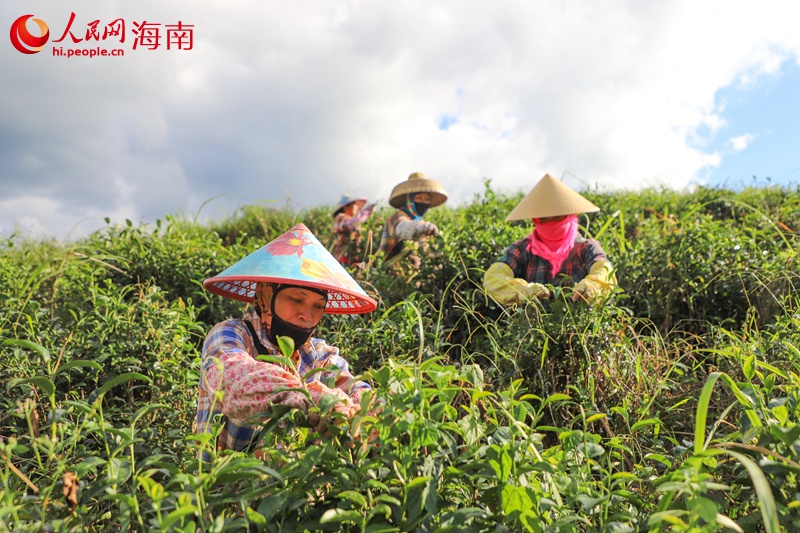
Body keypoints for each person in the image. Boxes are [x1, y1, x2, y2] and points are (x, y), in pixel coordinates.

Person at [196, 223, 378, 454]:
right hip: (226, 486)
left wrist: (370, 413)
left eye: (318, 306)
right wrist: (306, 396)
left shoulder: (319, 357)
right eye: (296, 299)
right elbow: (232, 377)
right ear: (266, 296)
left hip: (298, 488)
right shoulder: (231, 334)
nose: (307, 315)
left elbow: (356, 389)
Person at [484, 173, 617, 306]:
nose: (550, 222)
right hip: (533, 325)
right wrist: (524, 291)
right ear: (534, 219)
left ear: (570, 215)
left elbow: (604, 271)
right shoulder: (521, 250)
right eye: (543, 218)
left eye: (557, 216)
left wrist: (591, 287)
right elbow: (494, 278)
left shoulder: (587, 248)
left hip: (578, 325)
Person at [379, 172, 448, 270]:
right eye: (418, 198)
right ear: (409, 199)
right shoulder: (398, 216)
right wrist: (421, 228)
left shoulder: (422, 221)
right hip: (392, 273)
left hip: (411, 275)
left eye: (427, 199)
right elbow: (402, 228)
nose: (423, 202)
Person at [331, 195, 375, 267]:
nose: (357, 207)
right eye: (355, 204)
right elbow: (351, 224)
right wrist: (366, 212)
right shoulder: (340, 217)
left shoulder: (350, 221)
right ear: (346, 207)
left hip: (352, 261)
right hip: (343, 260)